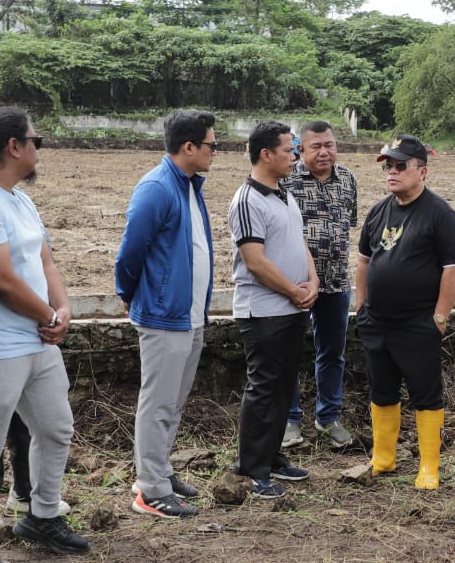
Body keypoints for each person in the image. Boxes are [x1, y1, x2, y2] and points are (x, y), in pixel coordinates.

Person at [0, 108, 88, 561]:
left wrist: (61, 308)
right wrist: (50, 315)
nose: (37, 149)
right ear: (14, 147)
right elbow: (1, 280)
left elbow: (45, 260)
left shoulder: (18, 198)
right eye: (34, 141)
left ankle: (42, 515)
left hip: (36, 342)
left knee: (56, 427)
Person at [115, 111, 217, 519]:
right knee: (157, 403)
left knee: (173, 402)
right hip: (164, 315)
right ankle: (150, 489)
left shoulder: (189, 186)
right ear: (188, 147)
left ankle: (159, 470)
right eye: (212, 144)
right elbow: (130, 252)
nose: (215, 152)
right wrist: (130, 293)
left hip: (188, 314)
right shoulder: (157, 188)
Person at [357, 134, 455, 491]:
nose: (392, 171)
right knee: (381, 390)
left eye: (401, 165)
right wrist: (361, 306)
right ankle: (383, 458)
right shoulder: (379, 210)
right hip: (377, 320)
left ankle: (429, 466)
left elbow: (452, 269)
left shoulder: (440, 214)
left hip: (417, 322)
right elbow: (364, 260)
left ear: (423, 171)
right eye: (388, 165)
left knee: (425, 393)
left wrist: (439, 317)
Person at [228, 121, 319, 499]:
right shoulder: (247, 200)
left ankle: (272, 456)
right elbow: (255, 261)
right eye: (288, 150)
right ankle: (252, 469)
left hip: (290, 307)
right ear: (265, 154)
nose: (294, 156)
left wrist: (312, 282)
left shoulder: (284, 194)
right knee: (264, 387)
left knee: (284, 385)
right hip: (264, 310)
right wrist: (294, 292)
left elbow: (298, 243)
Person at [281, 121, 359, 450]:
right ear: (301, 149)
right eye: (316, 146)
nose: (324, 151)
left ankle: (328, 417)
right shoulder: (286, 181)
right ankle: (289, 420)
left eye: (330, 144)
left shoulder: (348, 181)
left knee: (332, 353)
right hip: (295, 284)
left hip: (337, 282)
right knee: (287, 353)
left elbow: (348, 225)